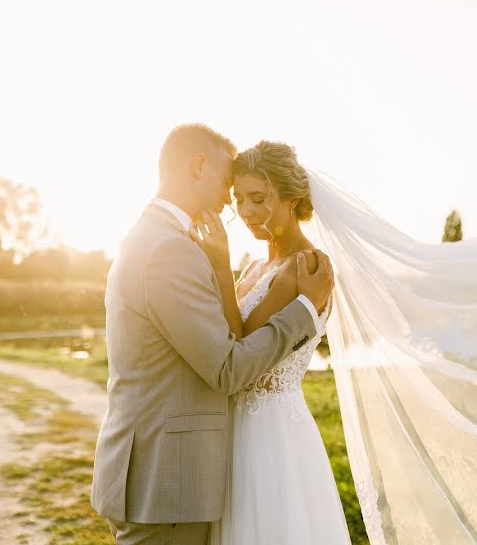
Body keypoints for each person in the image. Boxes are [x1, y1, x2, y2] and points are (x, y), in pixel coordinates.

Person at [90, 124, 335, 545]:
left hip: (234, 455)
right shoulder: (169, 249)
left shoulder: (156, 238)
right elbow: (228, 365)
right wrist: (305, 311)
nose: (232, 202)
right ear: (199, 166)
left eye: (253, 197)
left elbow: (226, 339)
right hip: (166, 481)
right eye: (230, 187)